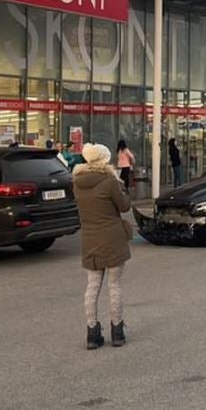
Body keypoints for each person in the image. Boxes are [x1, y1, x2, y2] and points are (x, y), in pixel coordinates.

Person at [73, 144, 132, 350]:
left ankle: (92, 332)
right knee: (114, 285)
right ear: (104, 160)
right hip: (112, 238)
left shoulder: (77, 183)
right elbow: (124, 205)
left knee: (92, 285)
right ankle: (117, 331)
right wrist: (121, 186)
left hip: (90, 239)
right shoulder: (109, 181)